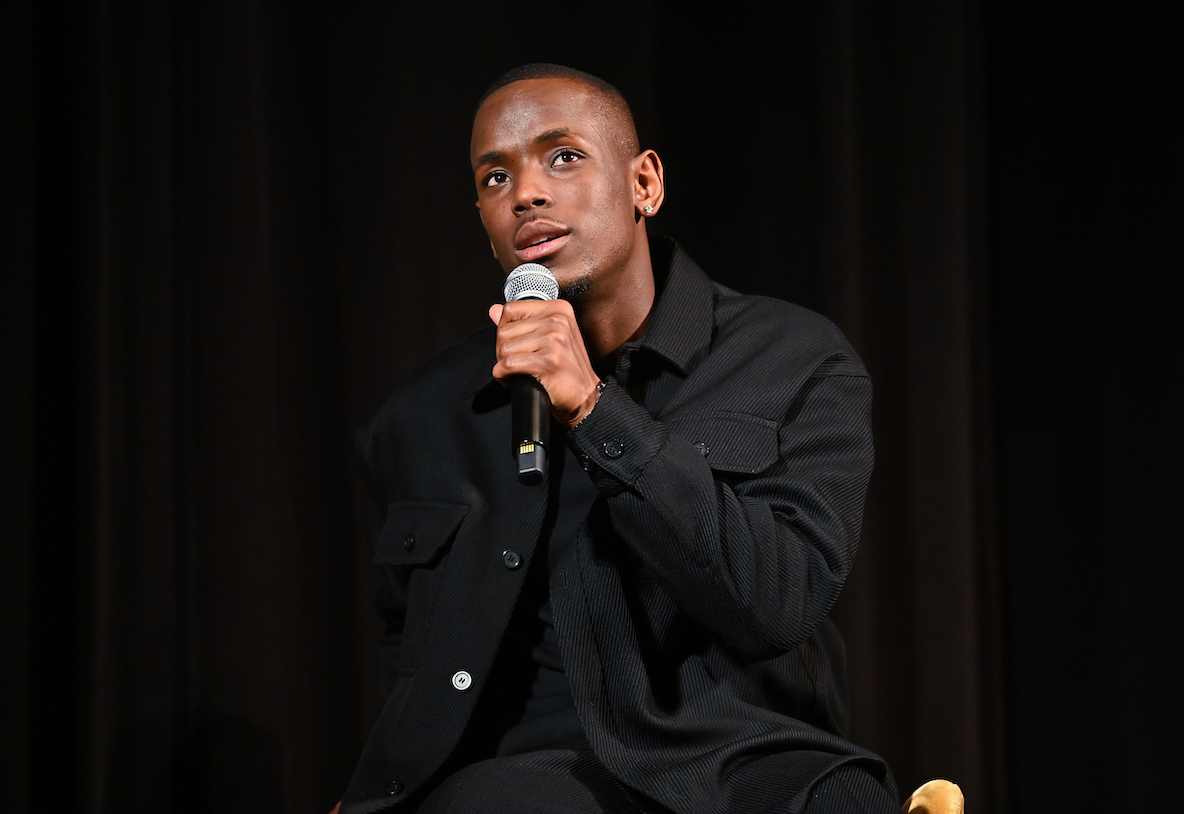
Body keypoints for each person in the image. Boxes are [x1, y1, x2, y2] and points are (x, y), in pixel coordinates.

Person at [339, 63, 897, 814]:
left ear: (645, 185)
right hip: (521, 777)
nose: (527, 193)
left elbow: (777, 601)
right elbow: (407, 648)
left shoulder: (791, 359)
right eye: (496, 178)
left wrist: (597, 412)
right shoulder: (423, 415)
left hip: (742, 765)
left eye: (562, 156)